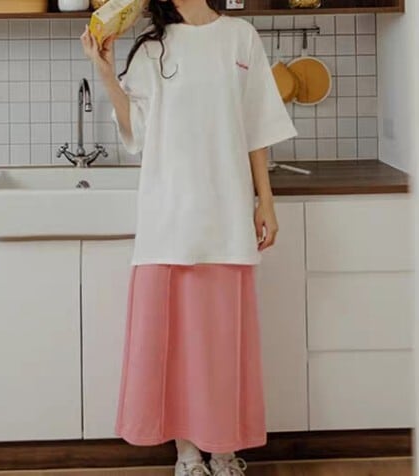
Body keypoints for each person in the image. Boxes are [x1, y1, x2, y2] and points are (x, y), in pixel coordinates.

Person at [81, 0, 297, 474]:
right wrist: (106, 72)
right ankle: (187, 455)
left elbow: (257, 125)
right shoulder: (154, 48)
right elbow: (137, 131)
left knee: (222, 346)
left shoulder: (240, 37)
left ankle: (224, 451)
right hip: (170, 218)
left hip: (226, 214)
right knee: (177, 346)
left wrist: (265, 200)